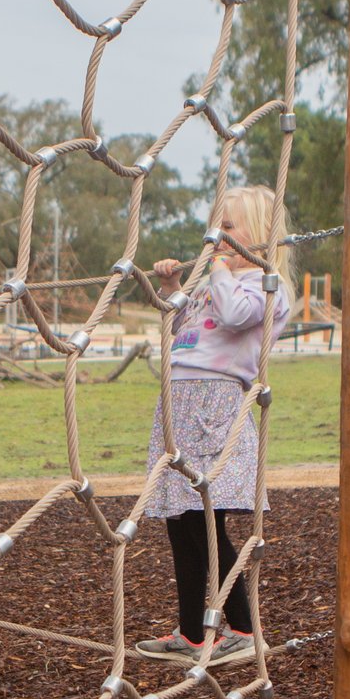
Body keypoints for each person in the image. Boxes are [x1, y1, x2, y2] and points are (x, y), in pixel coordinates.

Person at [135, 183, 292, 661]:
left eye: (227, 227)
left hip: (213, 406)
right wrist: (172, 290)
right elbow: (187, 326)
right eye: (217, 226)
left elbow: (235, 313)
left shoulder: (266, 287)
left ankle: (244, 630)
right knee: (179, 525)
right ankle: (192, 633)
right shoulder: (213, 284)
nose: (216, 235)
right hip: (179, 404)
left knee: (206, 523)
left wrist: (221, 267)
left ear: (260, 235)